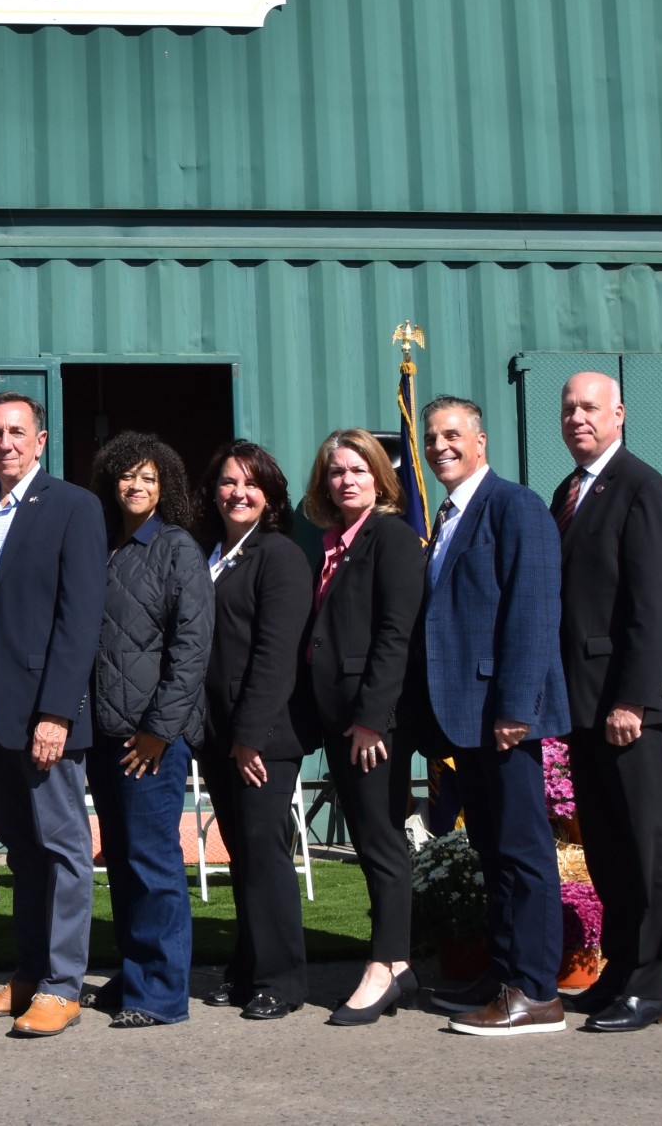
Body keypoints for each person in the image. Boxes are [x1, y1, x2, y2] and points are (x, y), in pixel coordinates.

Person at [413, 395, 570, 1036]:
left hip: (500, 717)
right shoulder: (449, 517)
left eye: (452, 434)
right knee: (493, 851)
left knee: (523, 851)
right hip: (466, 720)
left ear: (481, 442)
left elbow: (532, 612)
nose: (439, 445)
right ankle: (504, 974)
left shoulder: (515, 506)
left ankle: (536, 992)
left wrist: (515, 708)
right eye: (431, 437)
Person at [0, 393, 108, 1038]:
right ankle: (27, 973)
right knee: (23, 849)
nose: (6, 442)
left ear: (41, 440)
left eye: (18, 432)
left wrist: (57, 713)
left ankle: (62, 985)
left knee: (64, 847)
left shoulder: (73, 507)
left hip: (45, 715)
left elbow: (80, 620)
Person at [553, 372, 662, 1033]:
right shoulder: (570, 492)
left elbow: (655, 605)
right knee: (609, 853)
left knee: (647, 851)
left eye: (590, 407)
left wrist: (632, 699)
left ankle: (650, 988)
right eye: (569, 408)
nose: (577, 417)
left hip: (629, 709)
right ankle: (620, 972)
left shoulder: (642, 488)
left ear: (619, 414)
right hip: (585, 707)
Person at [299, 429, 426, 1025]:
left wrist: (372, 721)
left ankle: (383, 967)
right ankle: (399, 965)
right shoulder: (335, 543)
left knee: (379, 843)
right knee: (371, 839)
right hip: (339, 719)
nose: (345, 480)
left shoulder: (392, 540)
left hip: (372, 724)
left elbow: (394, 637)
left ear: (380, 476)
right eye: (335, 472)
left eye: (357, 469)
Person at [88, 432, 213, 1029]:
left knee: (154, 864)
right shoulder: (103, 546)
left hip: (151, 741)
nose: (136, 487)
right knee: (123, 861)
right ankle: (135, 974)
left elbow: (191, 648)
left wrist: (160, 731)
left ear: (166, 488)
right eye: (127, 476)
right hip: (107, 733)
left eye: (149, 479)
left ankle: (161, 994)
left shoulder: (176, 547)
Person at [194, 440, 314, 1021]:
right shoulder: (212, 553)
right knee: (243, 854)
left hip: (260, 738)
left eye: (250, 483)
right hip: (219, 736)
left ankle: (281, 979)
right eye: (227, 481)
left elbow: (275, 653)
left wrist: (250, 736)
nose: (237, 492)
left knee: (265, 855)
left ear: (269, 496)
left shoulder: (279, 556)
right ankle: (247, 968)